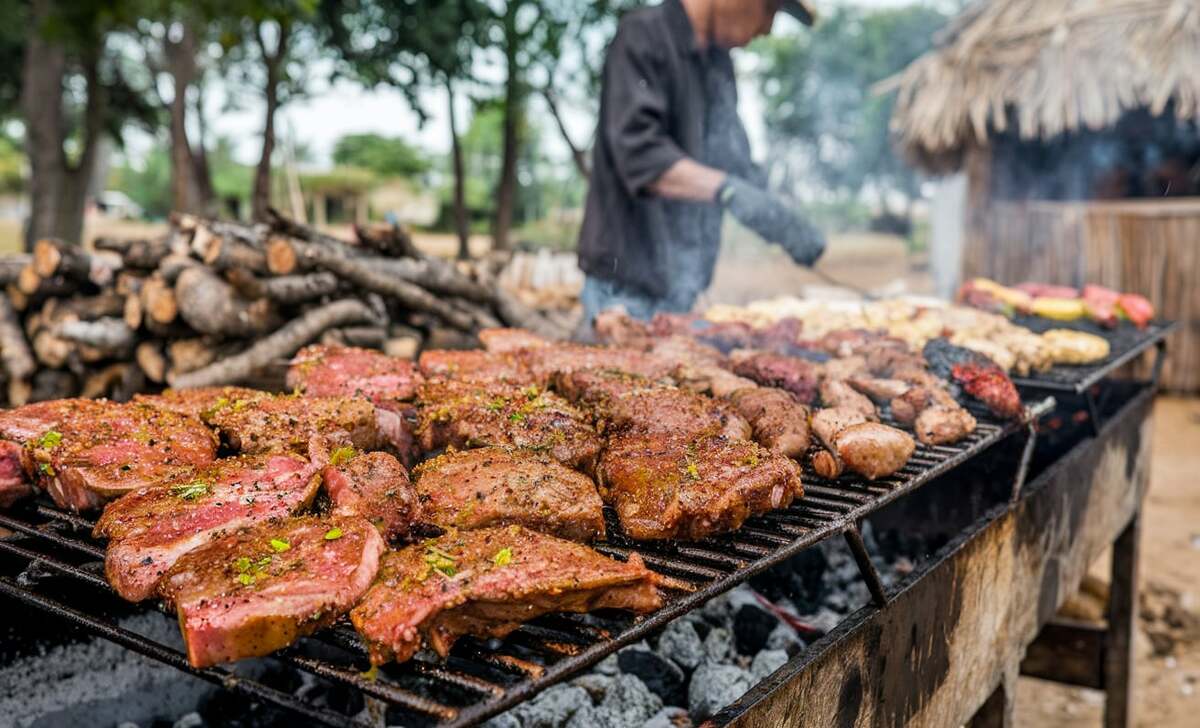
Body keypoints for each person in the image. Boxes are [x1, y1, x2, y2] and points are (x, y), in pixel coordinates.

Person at [577, 0, 824, 326]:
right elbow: (640, 155)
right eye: (770, 10)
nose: (767, 29)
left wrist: (781, 221)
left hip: (681, 295)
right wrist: (728, 190)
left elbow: (735, 162)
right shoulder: (643, 34)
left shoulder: (718, 63)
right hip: (624, 295)